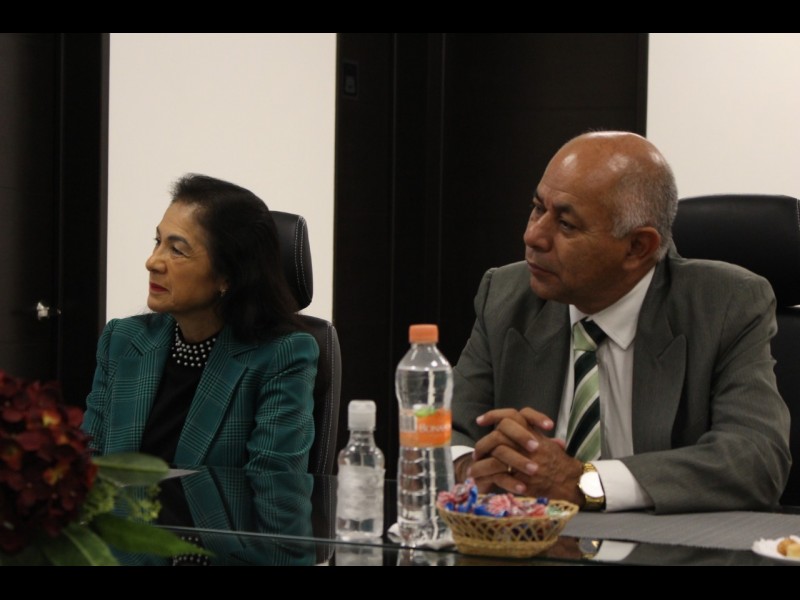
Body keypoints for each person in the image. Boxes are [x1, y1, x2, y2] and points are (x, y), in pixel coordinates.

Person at [451, 130, 791, 514]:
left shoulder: (726, 305)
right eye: (537, 208)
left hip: (662, 541)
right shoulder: (505, 295)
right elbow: (446, 428)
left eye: (566, 224)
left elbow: (756, 458)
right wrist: (471, 470)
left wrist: (584, 482)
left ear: (637, 247)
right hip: (536, 537)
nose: (533, 235)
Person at [83, 174, 318, 473]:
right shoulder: (123, 339)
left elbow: (274, 487)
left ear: (227, 275)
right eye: (158, 242)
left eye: (177, 250)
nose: (152, 262)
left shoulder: (282, 356)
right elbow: (87, 463)